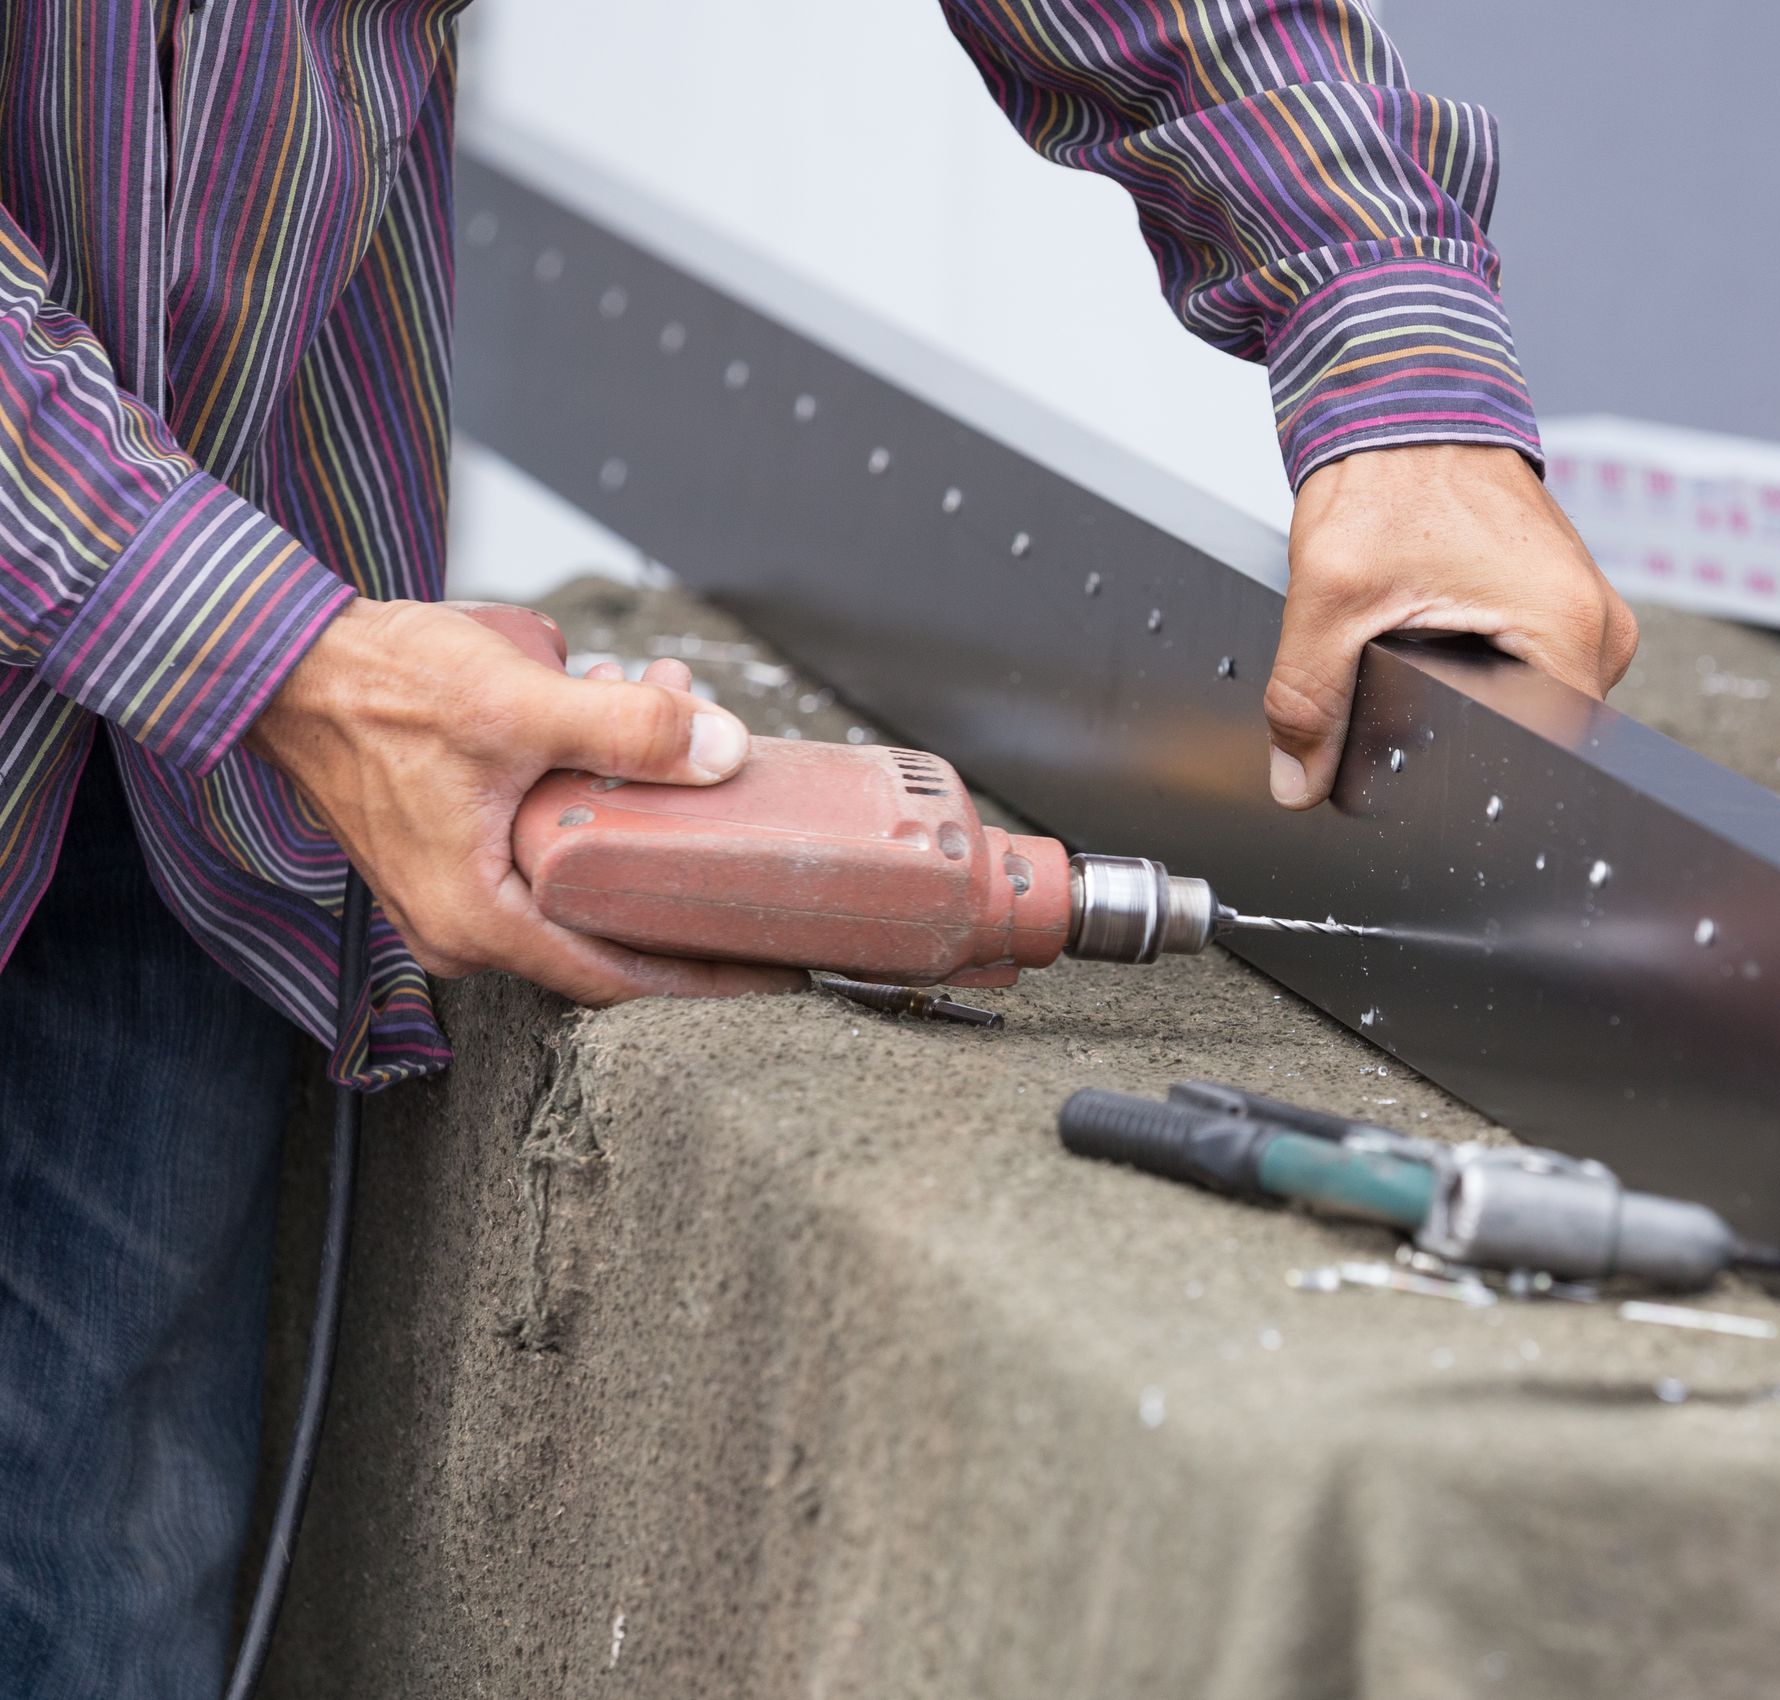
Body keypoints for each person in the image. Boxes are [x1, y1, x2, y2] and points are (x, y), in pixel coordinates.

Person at [0, 2, 1636, 1693]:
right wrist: (273, 656)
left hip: (181, 803)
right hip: (206, 660)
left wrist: (1400, 371)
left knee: (100, 1585)